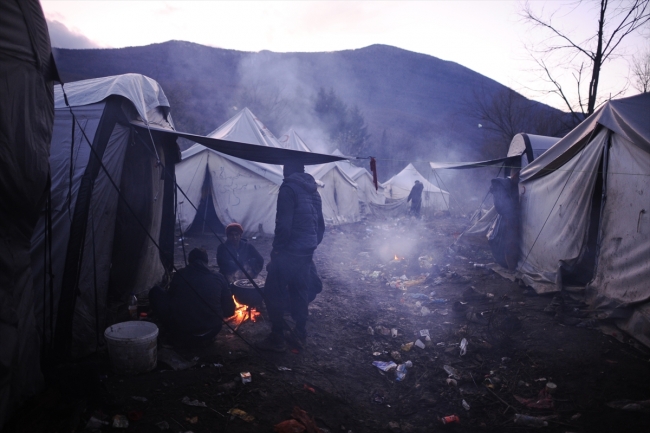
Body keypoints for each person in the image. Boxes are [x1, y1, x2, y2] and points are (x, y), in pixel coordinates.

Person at [256, 161, 325, 351]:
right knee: (300, 291)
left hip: (289, 251)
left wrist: (277, 250)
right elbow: (320, 226)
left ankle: (277, 336)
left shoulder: (288, 189)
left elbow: (284, 225)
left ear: (288, 170)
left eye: (284, 169)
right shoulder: (314, 192)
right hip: (305, 252)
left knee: (272, 292)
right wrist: (310, 246)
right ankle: (300, 333)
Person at [149, 248, 235, 346]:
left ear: (189, 261)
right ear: (206, 262)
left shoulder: (180, 274)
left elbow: (170, 298)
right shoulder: (219, 277)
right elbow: (230, 311)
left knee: (155, 291)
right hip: (212, 331)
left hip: (182, 332)